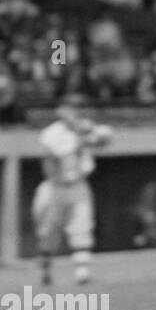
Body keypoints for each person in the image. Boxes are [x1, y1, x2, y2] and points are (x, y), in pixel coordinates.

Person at [32, 97, 112, 285]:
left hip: (78, 185)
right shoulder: (51, 133)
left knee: (82, 226)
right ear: (60, 110)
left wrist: (94, 134)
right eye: (71, 108)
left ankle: (82, 274)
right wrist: (79, 139)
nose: (76, 112)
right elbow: (56, 156)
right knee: (48, 231)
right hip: (55, 187)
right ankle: (46, 270)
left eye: (79, 108)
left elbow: (106, 139)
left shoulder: (86, 127)